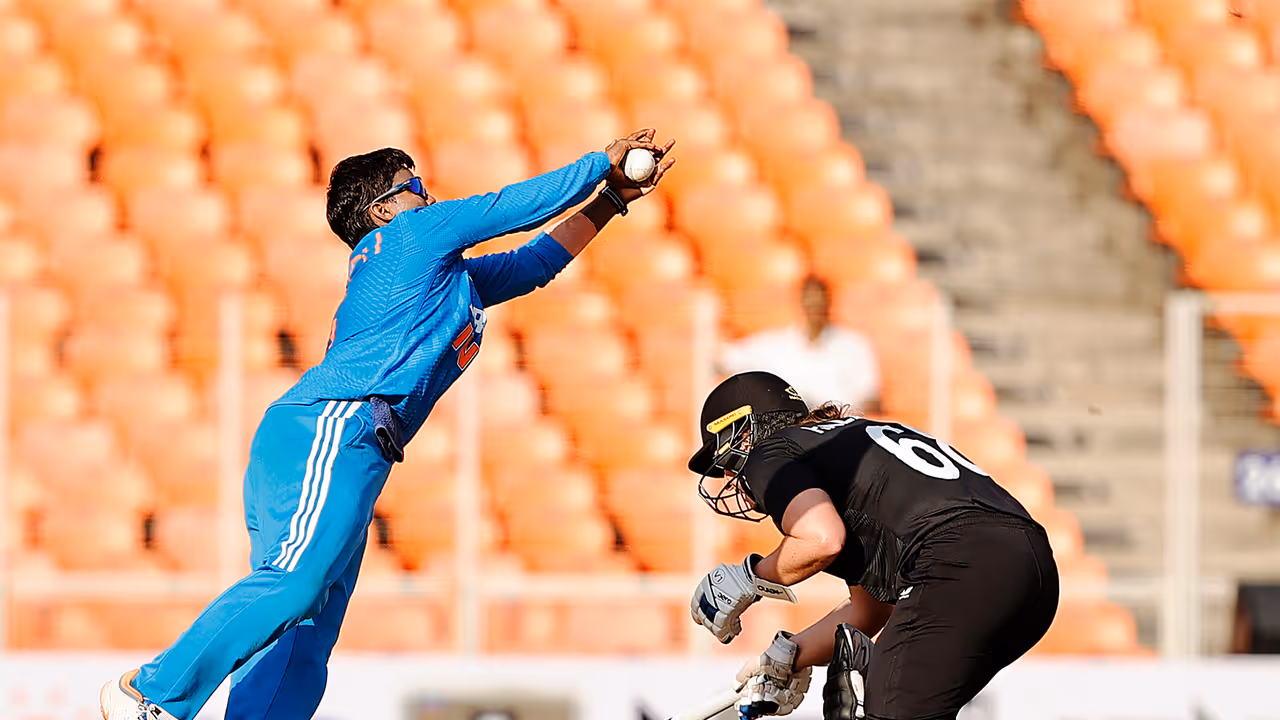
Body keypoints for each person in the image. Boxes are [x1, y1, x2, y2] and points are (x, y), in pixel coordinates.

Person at [99, 129, 676, 720]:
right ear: (382, 210)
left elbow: (534, 265)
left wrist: (611, 199)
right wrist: (597, 165)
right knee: (296, 587)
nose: (427, 198)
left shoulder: (438, 277)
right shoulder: (406, 238)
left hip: (349, 445)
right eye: (416, 187)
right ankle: (149, 691)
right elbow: (511, 207)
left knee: (306, 632)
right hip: (329, 428)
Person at [686, 371, 1058, 720]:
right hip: (1031, 567)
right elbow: (869, 610)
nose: (730, 475)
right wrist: (788, 655)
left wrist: (749, 578)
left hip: (957, 561)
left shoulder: (770, 453)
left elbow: (821, 539)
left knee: (886, 708)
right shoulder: (845, 444)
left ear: (749, 430)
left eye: (726, 460)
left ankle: (861, 676)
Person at [719, 275, 879, 413]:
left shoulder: (853, 344)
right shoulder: (776, 345)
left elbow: (869, 396)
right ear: (802, 303)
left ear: (828, 303)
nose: (814, 309)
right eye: (810, 302)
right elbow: (726, 358)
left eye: (819, 302)